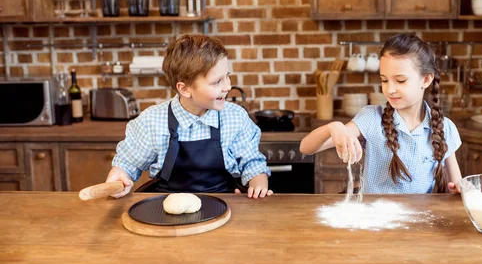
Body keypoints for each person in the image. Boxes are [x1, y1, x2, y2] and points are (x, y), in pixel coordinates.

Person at [106, 34, 272, 199]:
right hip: (165, 212)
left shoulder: (235, 117)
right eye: (217, 82)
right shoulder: (152, 121)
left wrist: (258, 185)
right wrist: (118, 174)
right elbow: (127, 164)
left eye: (227, 76)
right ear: (185, 89)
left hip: (225, 206)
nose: (228, 86)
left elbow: (252, 164)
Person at [300, 34, 462, 194]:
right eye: (384, 80)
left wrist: (462, 189)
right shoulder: (371, 118)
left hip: (420, 218)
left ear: (426, 80)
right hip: (375, 219)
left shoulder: (445, 128)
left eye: (400, 80)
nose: (389, 89)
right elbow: (306, 147)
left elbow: (458, 187)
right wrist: (332, 127)